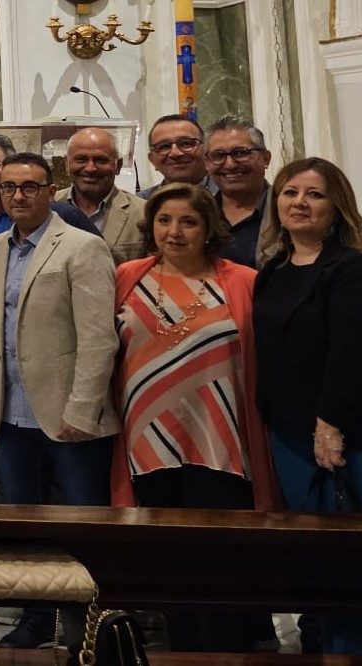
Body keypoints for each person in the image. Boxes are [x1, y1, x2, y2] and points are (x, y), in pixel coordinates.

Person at [254, 158, 362, 656]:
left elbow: (359, 353)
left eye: (315, 194)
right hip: (293, 440)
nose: (299, 202)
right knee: (321, 570)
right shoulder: (274, 271)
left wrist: (330, 424)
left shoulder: (355, 270)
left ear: (337, 207)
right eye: (289, 192)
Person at [107, 182, 276, 651]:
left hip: (220, 434)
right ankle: (183, 650)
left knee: (223, 550)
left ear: (209, 229)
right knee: (169, 553)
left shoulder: (242, 280)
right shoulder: (127, 276)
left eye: (188, 222)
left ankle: (234, 646)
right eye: (164, 221)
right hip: (147, 440)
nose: (174, 232)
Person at [0, 152, 120, 648]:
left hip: (68, 412)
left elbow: (99, 338)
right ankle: (36, 614)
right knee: (24, 521)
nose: (17, 195)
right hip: (11, 412)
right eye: (9, 187)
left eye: (29, 187)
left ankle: (87, 622)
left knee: (81, 523)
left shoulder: (81, 247)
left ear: (49, 189)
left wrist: (83, 407)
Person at [58, 128, 147, 263]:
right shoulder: (46, 207)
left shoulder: (144, 213)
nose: (90, 168)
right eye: (81, 159)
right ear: (66, 163)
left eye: (101, 160)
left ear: (118, 165)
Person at [205, 116, 271, 267]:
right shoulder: (199, 214)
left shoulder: (289, 213)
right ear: (207, 164)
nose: (230, 164)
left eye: (241, 153)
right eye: (218, 156)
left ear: (266, 158)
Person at [141, 113, 214, 198]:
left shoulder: (228, 195)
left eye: (186, 143)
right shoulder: (140, 206)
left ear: (206, 150)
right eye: (164, 146)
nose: (175, 153)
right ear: (152, 159)